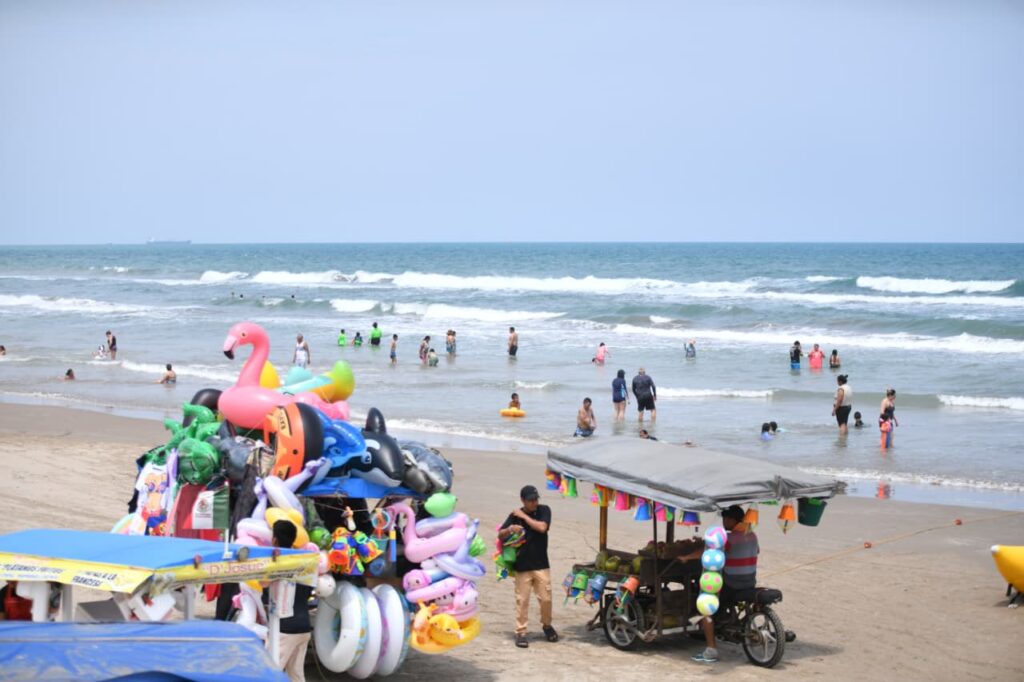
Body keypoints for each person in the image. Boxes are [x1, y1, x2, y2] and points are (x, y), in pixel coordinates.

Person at [687, 505, 759, 664]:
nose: (724, 522)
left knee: (706, 604)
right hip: (749, 582)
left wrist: (686, 557)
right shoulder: (752, 535)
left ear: (732, 520)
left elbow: (706, 553)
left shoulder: (730, 538)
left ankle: (710, 650)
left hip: (731, 584)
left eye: (725, 519)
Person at [498, 485, 557, 648]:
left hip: (541, 564)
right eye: (531, 500)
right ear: (523, 500)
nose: (534, 502)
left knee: (546, 598)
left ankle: (547, 625)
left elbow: (542, 527)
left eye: (536, 499)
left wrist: (523, 516)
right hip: (521, 565)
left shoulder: (544, 510)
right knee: (522, 600)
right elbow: (500, 534)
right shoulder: (513, 517)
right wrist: (510, 528)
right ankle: (521, 632)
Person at [270, 520, 313, 681]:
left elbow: (263, 584)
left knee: (270, 672)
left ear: (274, 539)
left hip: (285, 629)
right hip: (303, 627)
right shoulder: (305, 562)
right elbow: (309, 591)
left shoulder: (277, 563)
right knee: (296, 676)